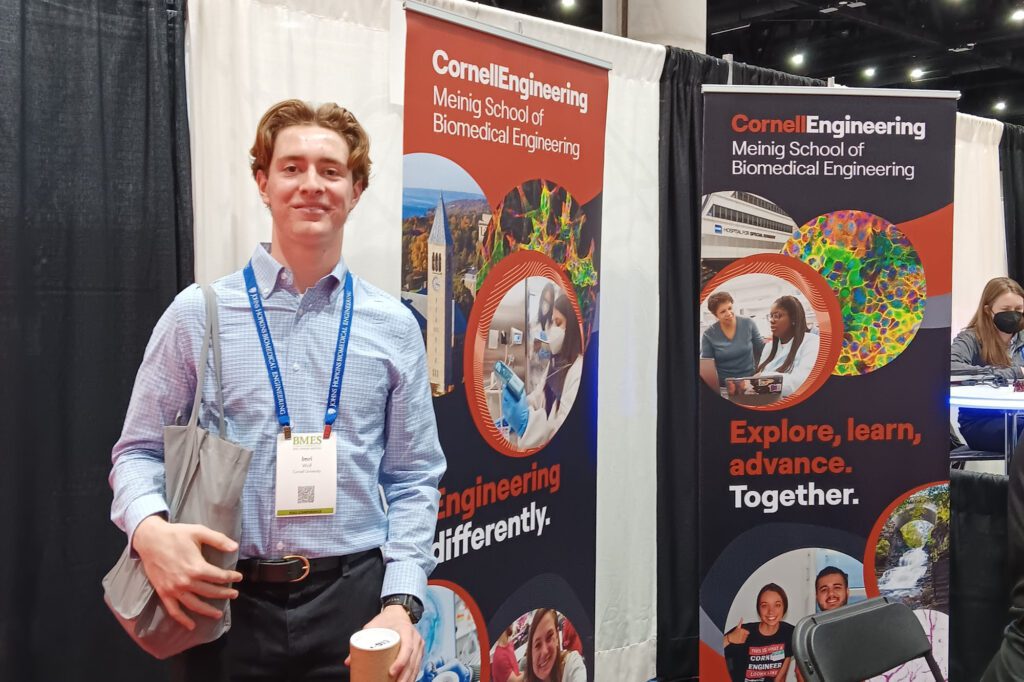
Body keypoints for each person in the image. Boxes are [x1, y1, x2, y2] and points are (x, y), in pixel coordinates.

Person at [109, 99, 446, 682]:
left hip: (354, 604)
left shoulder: (392, 327)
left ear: (356, 189)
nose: (311, 184)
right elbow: (134, 453)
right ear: (262, 183)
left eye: (331, 170)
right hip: (224, 603)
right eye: (291, 167)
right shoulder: (200, 314)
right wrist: (150, 531)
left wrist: (402, 601)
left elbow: (415, 478)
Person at [502, 293, 584, 450]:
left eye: (558, 323)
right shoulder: (556, 362)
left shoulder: (577, 370)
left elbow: (562, 431)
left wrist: (526, 424)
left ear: (572, 326)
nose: (552, 329)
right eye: (552, 322)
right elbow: (540, 394)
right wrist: (520, 407)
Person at [952, 277, 1024, 452]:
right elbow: (951, 367)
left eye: (1019, 309)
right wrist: (1015, 372)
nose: (1013, 314)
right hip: (981, 424)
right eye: (1006, 309)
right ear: (988, 310)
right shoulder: (971, 338)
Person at [723, 583, 794, 682]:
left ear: (784, 608)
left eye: (777, 605)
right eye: (764, 606)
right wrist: (729, 638)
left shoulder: (789, 632)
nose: (771, 611)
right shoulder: (743, 632)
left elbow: (780, 678)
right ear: (758, 609)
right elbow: (707, 650)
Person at [753, 295, 820, 398]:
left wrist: (763, 378)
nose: (772, 320)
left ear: (793, 319)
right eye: (770, 316)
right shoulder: (769, 347)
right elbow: (758, 385)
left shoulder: (811, 342)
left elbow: (801, 384)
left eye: (777, 316)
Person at [700, 291, 766, 391]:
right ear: (716, 315)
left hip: (750, 382)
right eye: (723, 311)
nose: (729, 313)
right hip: (724, 386)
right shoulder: (708, 335)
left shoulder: (748, 323)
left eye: (730, 308)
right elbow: (708, 366)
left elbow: (762, 349)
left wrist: (762, 371)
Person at [524, 609, 586, 682]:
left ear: (556, 637)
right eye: (538, 645)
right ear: (530, 652)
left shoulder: (571, 664)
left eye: (549, 637)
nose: (545, 651)